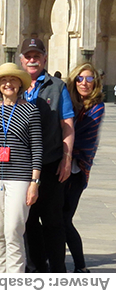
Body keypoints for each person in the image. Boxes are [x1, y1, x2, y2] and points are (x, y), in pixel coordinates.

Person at [0, 62, 43, 273]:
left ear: (20, 83)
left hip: (20, 178)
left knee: (13, 230)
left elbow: (37, 148)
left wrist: (34, 183)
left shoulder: (30, 110)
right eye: (4, 80)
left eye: (12, 79)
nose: (8, 84)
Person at [19, 38, 74, 273]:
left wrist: (66, 158)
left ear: (44, 58)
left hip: (50, 164)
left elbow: (67, 123)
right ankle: (36, 269)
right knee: (28, 222)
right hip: (21, 166)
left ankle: (58, 271)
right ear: (21, 59)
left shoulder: (57, 86)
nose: (32, 60)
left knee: (52, 221)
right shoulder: (14, 84)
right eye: (28, 56)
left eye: (37, 56)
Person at [63, 63, 105, 273]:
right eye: (80, 79)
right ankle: (59, 263)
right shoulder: (70, 103)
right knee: (57, 219)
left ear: (96, 83)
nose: (84, 83)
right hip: (61, 168)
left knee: (64, 219)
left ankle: (80, 266)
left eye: (89, 79)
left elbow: (81, 139)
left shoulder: (97, 107)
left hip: (77, 171)